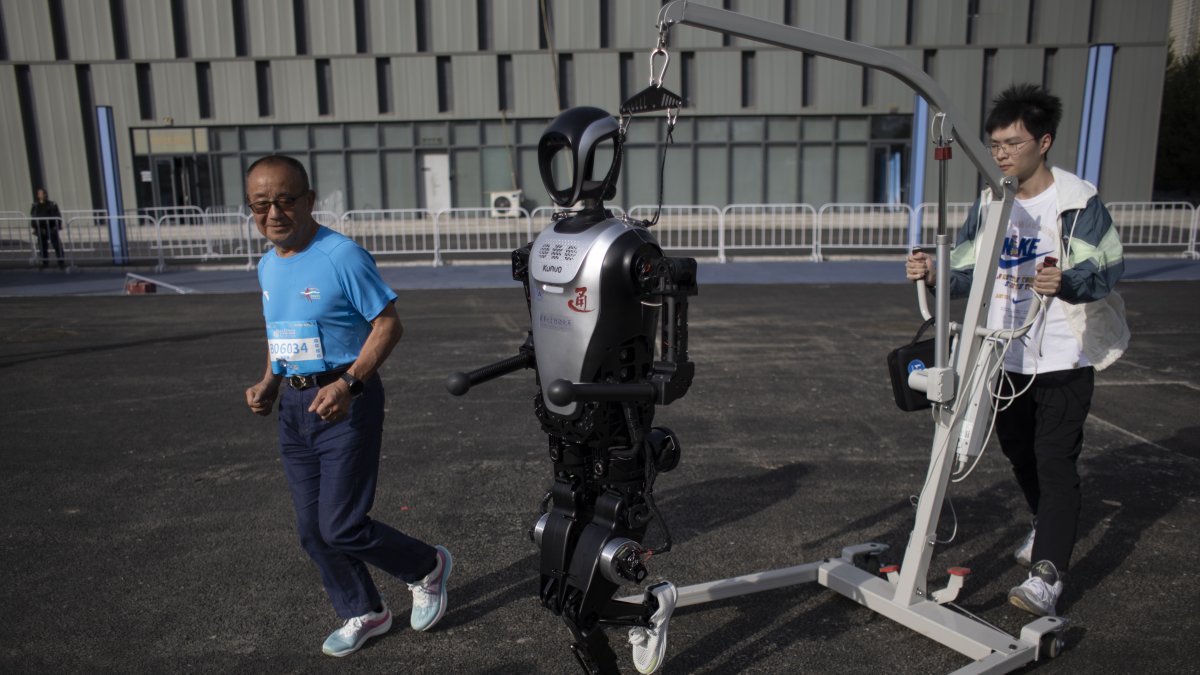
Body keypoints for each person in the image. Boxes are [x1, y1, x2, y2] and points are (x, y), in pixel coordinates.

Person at [905, 84, 1129, 617]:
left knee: (1055, 462)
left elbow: (1106, 265)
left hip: (1062, 357)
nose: (1001, 152)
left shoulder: (1076, 199)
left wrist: (1066, 280)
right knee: (1019, 454)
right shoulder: (991, 200)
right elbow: (965, 265)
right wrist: (934, 271)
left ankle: (1048, 574)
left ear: (1043, 141)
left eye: (1011, 142)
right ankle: (1046, 524)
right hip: (1002, 356)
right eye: (995, 143)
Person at [243, 154, 452, 656]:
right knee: (312, 531)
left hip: (344, 401)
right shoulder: (268, 264)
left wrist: (349, 384)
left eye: (285, 201)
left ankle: (427, 566)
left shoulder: (341, 256)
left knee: (341, 524)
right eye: (260, 205)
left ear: (309, 201)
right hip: (296, 408)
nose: (274, 213)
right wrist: (270, 381)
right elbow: (283, 332)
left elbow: (388, 325)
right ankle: (365, 611)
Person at [30, 188, 65, 269]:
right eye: (39, 194)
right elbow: (33, 216)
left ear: (46, 194)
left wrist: (58, 225)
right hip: (41, 228)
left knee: (57, 245)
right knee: (42, 246)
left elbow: (57, 215)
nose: (41, 195)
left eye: (42, 193)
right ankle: (44, 263)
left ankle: (61, 262)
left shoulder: (52, 204)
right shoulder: (35, 205)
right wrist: (34, 226)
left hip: (51, 228)